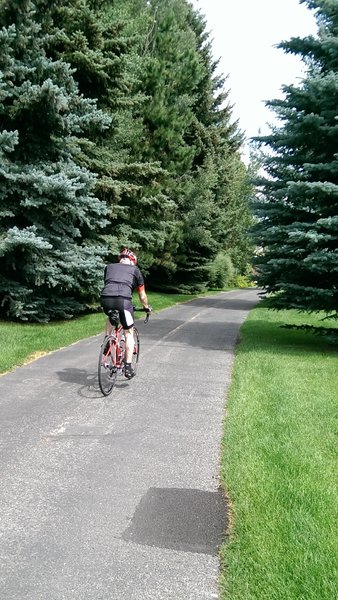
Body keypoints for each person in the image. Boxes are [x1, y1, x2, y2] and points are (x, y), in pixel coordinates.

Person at [100, 248, 151, 379]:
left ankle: (107, 340)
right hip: (123, 301)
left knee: (110, 316)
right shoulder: (135, 271)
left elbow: (109, 282)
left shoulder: (109, 267)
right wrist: (146, 307)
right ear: (133, 261)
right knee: (129, 332)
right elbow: (142, 295)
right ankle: (128, 367)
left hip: (105, 299)